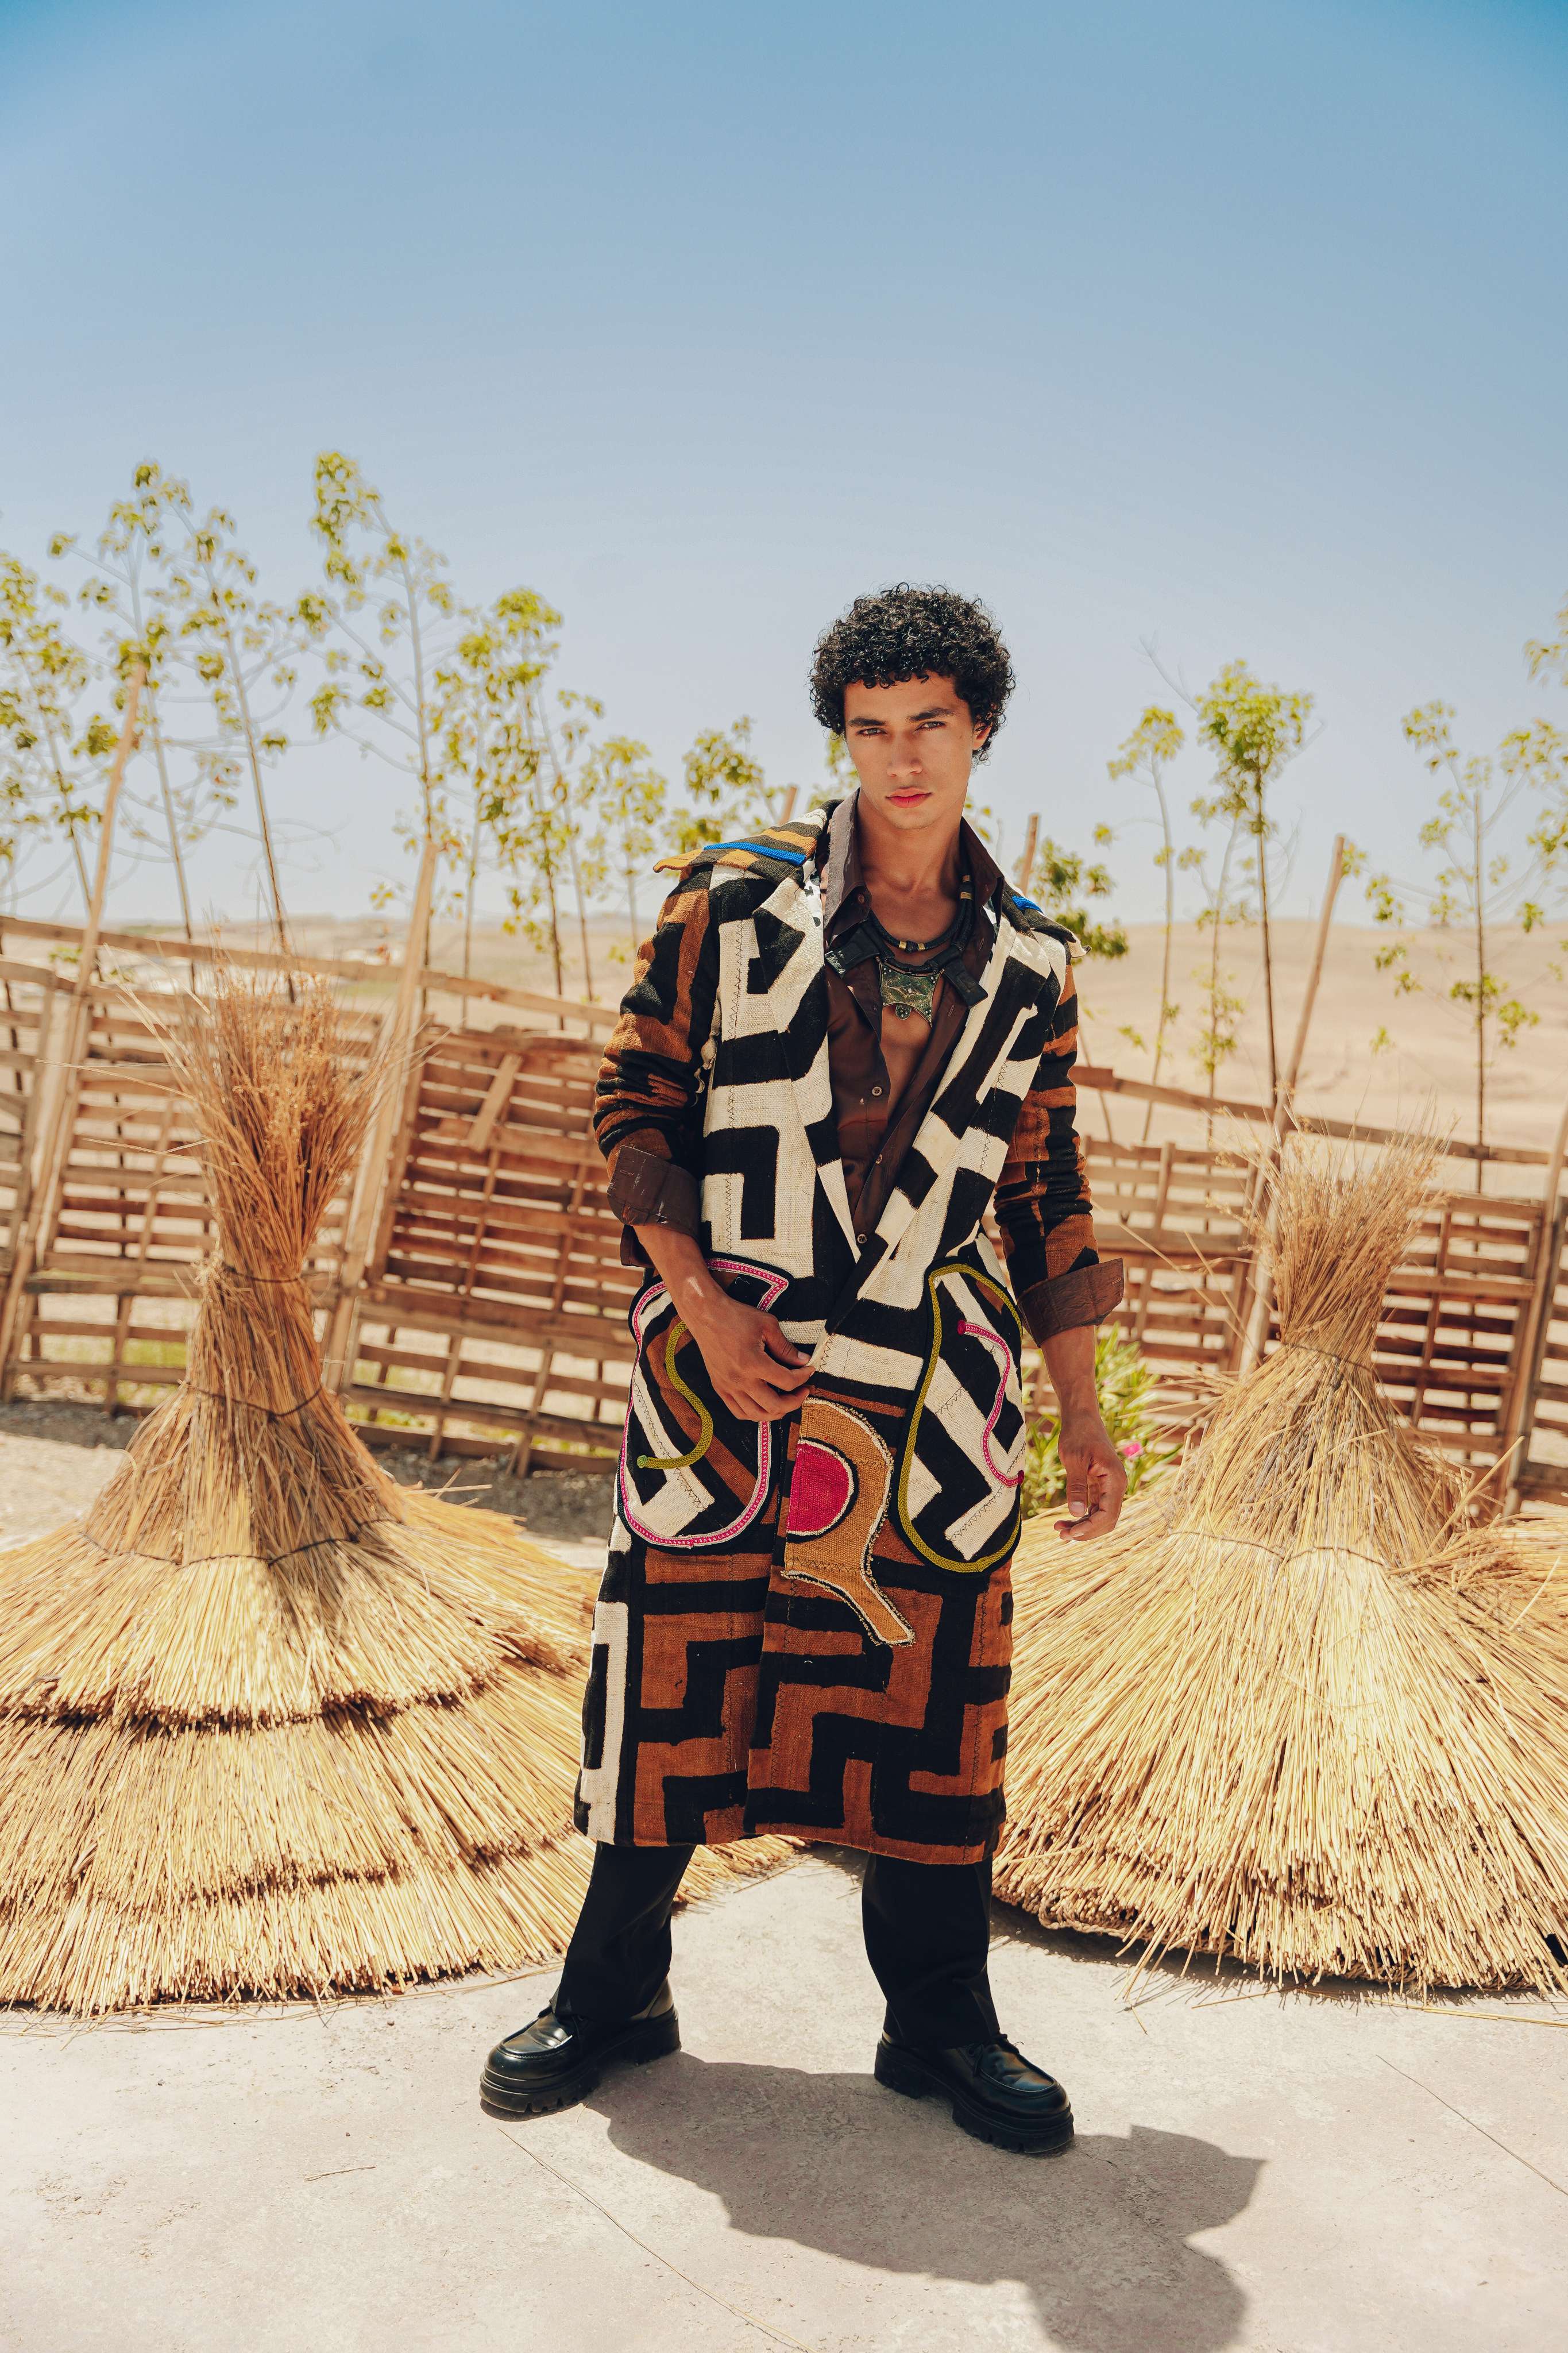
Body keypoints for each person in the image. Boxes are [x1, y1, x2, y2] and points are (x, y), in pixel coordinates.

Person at [482, 584, 1126, 2154]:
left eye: (929, 726)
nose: (900, 759)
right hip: (730, 1368)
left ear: (980, 732)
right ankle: (611, 1995)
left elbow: (1043, 1185)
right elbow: (633, 1106)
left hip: (936, 1388)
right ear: (842, 737)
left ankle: (940, 2024)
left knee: (932, 1696)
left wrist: (1086, 1415)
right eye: (869, 729)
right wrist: (698, 1303)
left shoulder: (1031, 961)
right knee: (668, 1676)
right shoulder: (732, 900)